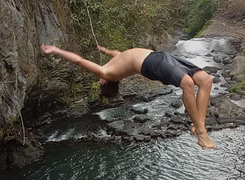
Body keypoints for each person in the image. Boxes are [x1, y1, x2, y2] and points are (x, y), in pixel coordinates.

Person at [41, 44, 216, 149]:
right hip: (150, 63)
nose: (98, 80)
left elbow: (118, 53)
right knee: (188, 84)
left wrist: (104, 50)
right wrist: (56, 50)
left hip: (162, 56)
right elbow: (78, 60)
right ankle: (200, 130)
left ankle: (198, 127)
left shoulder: (113, 62)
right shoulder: (107, 72)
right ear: (105, 83)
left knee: (205, 80)